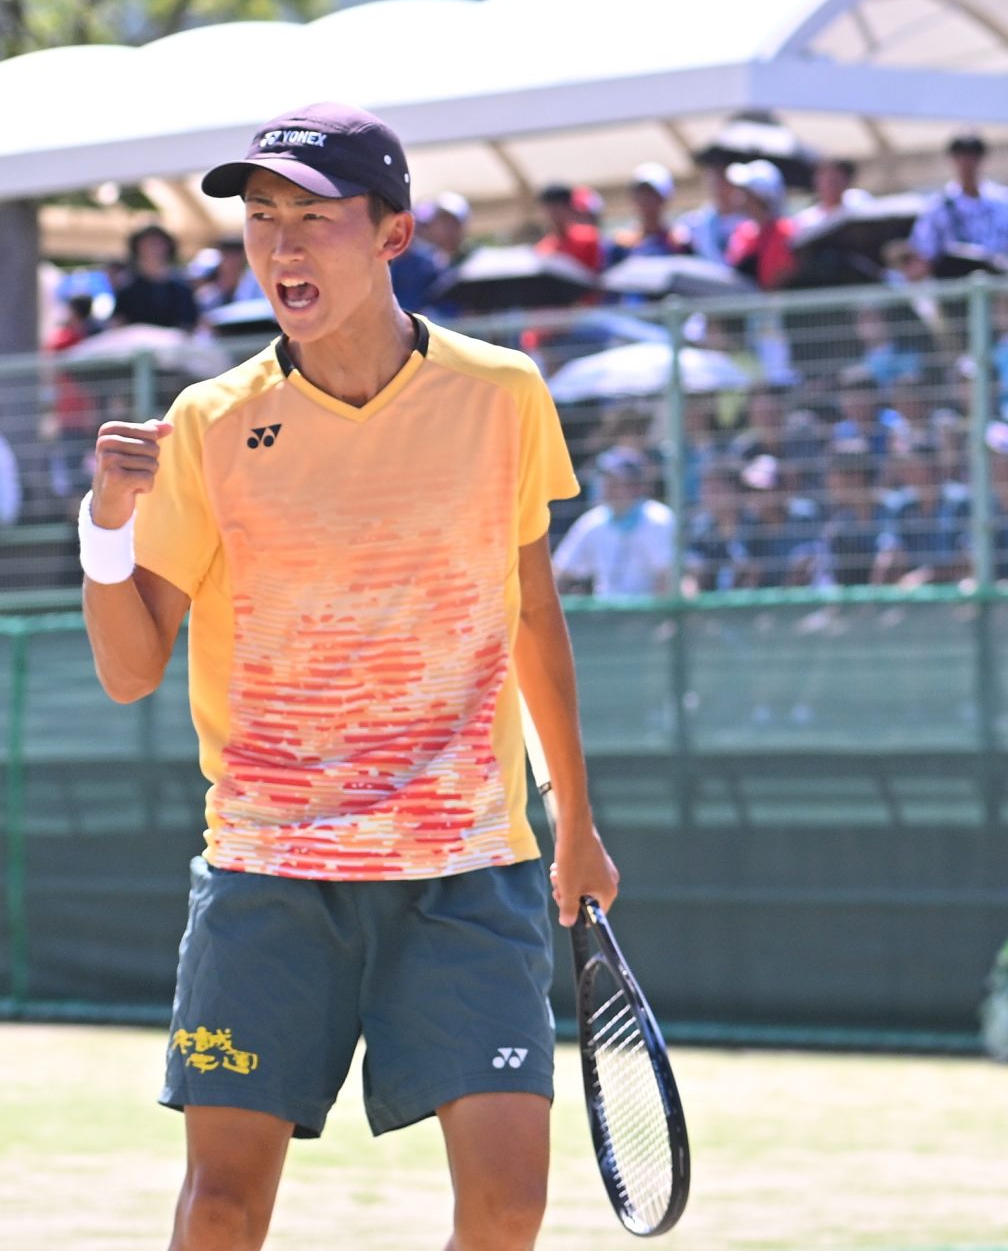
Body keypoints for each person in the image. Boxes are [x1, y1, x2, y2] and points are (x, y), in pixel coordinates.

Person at [78, 102, 617, 1251]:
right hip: (269, 870)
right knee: (222, 1207)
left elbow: (533, 610)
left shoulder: (504, 395)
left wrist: (575, 820)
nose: (279, 248)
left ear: (392, 233)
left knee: (513, 1201)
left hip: (471, 867)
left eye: (312, 220)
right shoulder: (208, 423)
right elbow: (130, 672)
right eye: (260, 220)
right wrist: (105, 528)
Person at [551, 448, 676, 598]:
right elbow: (560, 572)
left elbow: (668, 579)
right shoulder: (592, 521)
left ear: (636, 487)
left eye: (616, 482)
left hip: (650, 617)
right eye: (605, 481)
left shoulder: (658, 519)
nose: (607, 487)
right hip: (605, 617)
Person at [911, 131, 1008, 273]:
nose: (966, 163)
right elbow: (924, 254)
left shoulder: (1004, 201)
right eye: (960, 156)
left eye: (972, 155)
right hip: (956, 288)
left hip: (997, 284)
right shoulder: (938, 206)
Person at [722, 159, 798, 290]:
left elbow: (776, 282)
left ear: (758, 196)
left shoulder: (784, 232)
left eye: (744, 190)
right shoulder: (742, 232)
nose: (737, 194)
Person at [113, 224, 200, 330]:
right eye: (148, 244)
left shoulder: (181, 288)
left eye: (158, 244)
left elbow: (190, 324)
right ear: (137, 248)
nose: (153, 249)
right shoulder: (127, 287)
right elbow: (117, 322)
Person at [612, 164, 686, 261]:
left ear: (664, 199)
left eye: (651, 194)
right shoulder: (620, 247)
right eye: (640, 193)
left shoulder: (680, 244)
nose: (645, 200)